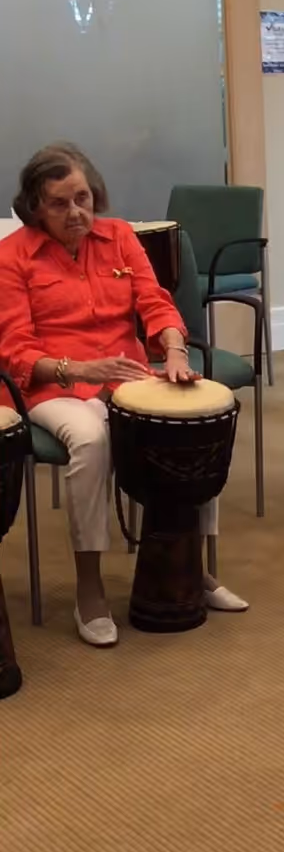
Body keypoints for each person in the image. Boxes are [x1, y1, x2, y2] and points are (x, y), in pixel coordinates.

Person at [0, 144, 247, 645]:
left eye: (83, 198)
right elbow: (15, 352)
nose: (76, 213)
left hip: (125, 371)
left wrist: (174, 352)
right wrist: (81, 369)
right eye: (59, 204)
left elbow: (155, 302)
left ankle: (189, 564)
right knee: (91, 438)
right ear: (33, 208)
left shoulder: (118, 238)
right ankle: (88, 587)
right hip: (51, 385)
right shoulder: (12, 256)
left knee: (191, 426)